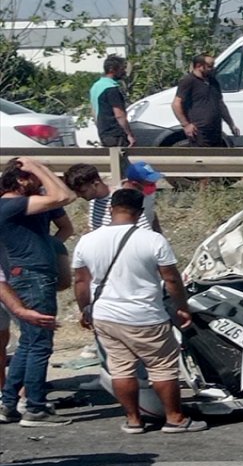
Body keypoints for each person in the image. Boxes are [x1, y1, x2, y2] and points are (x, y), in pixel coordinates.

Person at [71, 188, 207, 434]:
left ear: (111, 209)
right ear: (140, 212)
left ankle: (133, 420)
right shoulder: (152, 239)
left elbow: (81, 281)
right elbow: (172, 280)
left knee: (121, 368)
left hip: (105, 315)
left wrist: (85, 310)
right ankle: (175, 418)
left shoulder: (87, 240)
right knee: (163, 367)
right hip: (145, 316)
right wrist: (182, 308)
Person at [0, 157, 76, 426]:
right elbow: (65, 195)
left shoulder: (10, 206)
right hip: (32, 277)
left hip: (25, 276)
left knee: (29, 343)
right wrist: (39, 169)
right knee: (41, 343)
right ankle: (34, 407)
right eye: (32, 178)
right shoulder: (13, 204)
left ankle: (9, 402)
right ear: (21, 179)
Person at [0, 245, 59, 403]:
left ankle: (12, 399)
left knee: (29, 342)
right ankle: (29, 402)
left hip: (16, 281)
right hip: (19, 284)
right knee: (36, 343)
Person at [64, 162, 164, 233]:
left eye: (83, 191)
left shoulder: (122, 199)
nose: (79, 195)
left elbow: (144, 230)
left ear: (95, 183)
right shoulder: (93, 201)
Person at [172, 54, 240, 147]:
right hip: (199, 130)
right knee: (202, 157)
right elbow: (176, 104)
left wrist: (231, 124)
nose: (213, 68)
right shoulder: (188, 81)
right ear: (199, 66)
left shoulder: (213, 81)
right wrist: (186, 125)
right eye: (209, 66)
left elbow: (220, 104)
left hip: (215, 129)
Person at [90, 54, 136, 147]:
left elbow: (94, 111)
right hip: (116, 134)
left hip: (103, 132)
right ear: (112, 69)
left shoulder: (96, 86)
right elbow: (119, 115)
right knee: (122, 160)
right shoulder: (111, 89)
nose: (124, 72)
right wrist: (129, 134)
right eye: (121, 69)